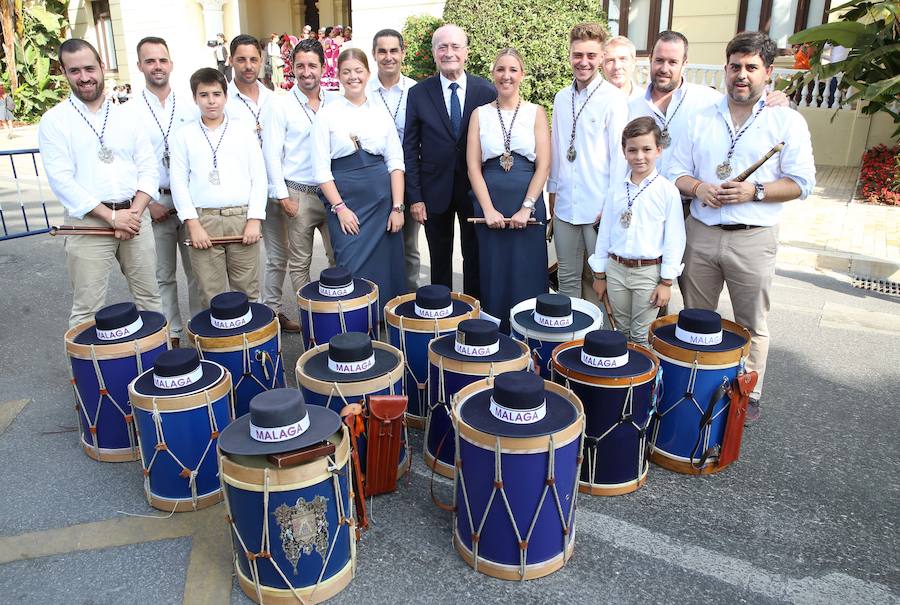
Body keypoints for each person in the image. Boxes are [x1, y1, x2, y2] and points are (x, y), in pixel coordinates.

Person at [668, 31, 816, 423]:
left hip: (754, 237)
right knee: (696, 316)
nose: (742, 75)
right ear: (726, 68)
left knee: (751, 322)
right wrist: (699, 187)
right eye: (735, 66)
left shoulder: (787, 121)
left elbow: (803, 183)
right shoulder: (701, 118)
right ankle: (697, 385)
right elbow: (674, 170)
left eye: (752, 68)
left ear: (768, 73)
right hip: (701, 232)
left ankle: (748, 395)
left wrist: (756, 190)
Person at [38, 38, 162, 328]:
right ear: (64, 73)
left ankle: (157, 367)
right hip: (89, 224)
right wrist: (111, 217)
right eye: (75, 71)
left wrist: (132, 213)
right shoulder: (55, 121)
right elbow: (61, 180)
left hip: (135, 218)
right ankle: (82, 375)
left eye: (89, 68)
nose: (84, 77)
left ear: (102, 67)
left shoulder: (127, 116)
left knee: (150, 301)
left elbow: (148, 169)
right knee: (86, 310)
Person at [404, 24, 497, 297]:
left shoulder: (486, 91)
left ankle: (473, 314)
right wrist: (416, 197)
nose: (449, 53)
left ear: (466, 52)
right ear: (434, 53)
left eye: (455, 47)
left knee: (475, 257)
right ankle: (442, 315)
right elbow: (410, 147)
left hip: (474, 189)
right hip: (434, 190)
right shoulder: (419, 93)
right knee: (439, 259)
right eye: (442, 47)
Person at [312, 48, 406, 304]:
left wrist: (398, 207)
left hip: (384, 205)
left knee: (389, 268)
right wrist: (340, 208)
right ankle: (355, 329)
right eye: (346, 72)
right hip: (347, 206)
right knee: (350, 264)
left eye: (358, 70)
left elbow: (395, 162)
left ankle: (386, 325)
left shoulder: (380, 112)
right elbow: (321, 170)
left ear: (368, 73)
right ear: (338, 76)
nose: (353, 77)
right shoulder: (326, 115)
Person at [467, 48, 550, 332]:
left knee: (528, 272)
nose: (506, 75)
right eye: (500, 69)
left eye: (513, 70)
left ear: (522, 75)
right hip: (490, 205)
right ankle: (497, 339)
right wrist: (488, 209)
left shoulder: (536, 112)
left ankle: (530, 335)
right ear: (492, 74)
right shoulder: (479, 114)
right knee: (495, 274)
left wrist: (527, 207)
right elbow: (473, 167)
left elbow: (544, 165)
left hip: (527, 203)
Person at [169, 67, 267, 308]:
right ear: (194, 98)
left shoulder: (243, 131)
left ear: (225, 96)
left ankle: (252, 344)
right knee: (211, 294)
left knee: (248, 292)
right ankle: (218, 346)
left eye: (216, 94)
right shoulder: (183, 136)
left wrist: (254, 218)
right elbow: (179, 182)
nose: (211, 101)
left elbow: (259, 177)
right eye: (204, 95)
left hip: (241, 217)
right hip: (205, 220)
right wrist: (192, 224)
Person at [548, 22, 628, 308]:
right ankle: (569, 345)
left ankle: (599, 345)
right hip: (566, 208)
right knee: (567, 280)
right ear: (569, 55)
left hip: (599, 209)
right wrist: (553, 200)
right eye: (577, 55)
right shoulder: (561, 98)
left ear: (601, 57)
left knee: (600, 283)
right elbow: (557, 152)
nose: (584, 62)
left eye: (591, 56)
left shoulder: (614, 99)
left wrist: (611, 207)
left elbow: (620, 159)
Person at [129, 36, 201, 348]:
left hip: (190, 201)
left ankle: (199, 329)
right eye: (150, 61)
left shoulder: (190, 106)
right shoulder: (128, 111)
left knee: (198, 271)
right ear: (140, 66)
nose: (157, 66)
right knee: (163, 275)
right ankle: (170, 333)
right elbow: (126, 161)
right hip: (153, 201)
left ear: (171, 64)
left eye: (162, 60)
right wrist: (148, 203)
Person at [261, 38, 336, 331]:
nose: (307, 72)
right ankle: (310, 317)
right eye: (300, 65)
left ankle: (333, 311)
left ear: (323, 66)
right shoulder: (280, 105)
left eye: (312, 65)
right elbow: (271, 152)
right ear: (292, 68)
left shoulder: (335, 99)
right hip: (298, 193)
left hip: (331, 194)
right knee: (300, 262)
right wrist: (282, 196)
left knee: (336, 256)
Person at [589, 117, 685, 345]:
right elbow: (605, 235)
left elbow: (675, 238)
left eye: (647, 149)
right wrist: (600, 275)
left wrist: (666, 282)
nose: (639, 156)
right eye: (632, 150)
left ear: (659, 150)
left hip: (648, 273)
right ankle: (622, 380)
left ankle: (643, 381)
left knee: (641, 335)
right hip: (616, 270)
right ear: (624, 151)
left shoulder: (667, 191)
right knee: (620, 331)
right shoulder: (616, 190)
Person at [368, 28, 420, 292]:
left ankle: (408, 300)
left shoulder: (417, 91)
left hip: (408, 177)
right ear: (374, 54)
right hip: (375, 178)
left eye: (393, 51)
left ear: (402, 53)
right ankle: (379, 298)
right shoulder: (363, 90)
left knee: (408, 245)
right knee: (377, 242)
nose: (388, 57)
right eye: (382, 51)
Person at [226, 34, 272, 146]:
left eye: (253, 60)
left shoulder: (272, 99)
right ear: (231, 61)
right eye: (241, 60)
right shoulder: (223, 102)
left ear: (261, 61)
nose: (248, 66)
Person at [602, 36, 642, 101]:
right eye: (610, 60)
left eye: (623, 59)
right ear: (602, 66)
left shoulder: (647, 102)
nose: (617, 67)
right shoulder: (592, 102)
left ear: (633, 63)